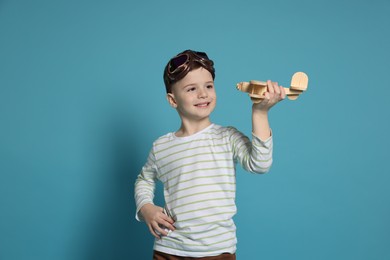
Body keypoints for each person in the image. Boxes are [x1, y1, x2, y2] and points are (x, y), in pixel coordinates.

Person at [134, 49, 285, 259]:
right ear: (173, 100)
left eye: (208, 86)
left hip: (216, 251)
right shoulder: (161, 147)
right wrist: (146, 208)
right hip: (169, 249)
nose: (203, 94)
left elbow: (259, 164)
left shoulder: (227, 137)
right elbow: (144, 179)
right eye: (191, 89)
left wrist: (260, 112)